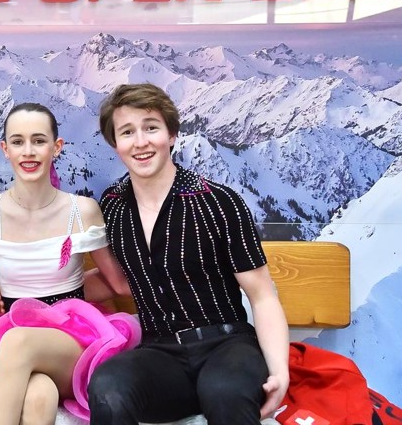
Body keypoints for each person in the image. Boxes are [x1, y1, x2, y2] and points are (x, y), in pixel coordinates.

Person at [0, 103, 141, 425]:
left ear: (56, 147)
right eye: (18, 141)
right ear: (5, 149)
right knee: (40, 395)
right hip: (11, 331)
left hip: (73, 338)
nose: (29, 151)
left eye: (39, 140)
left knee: (18, 341)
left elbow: (118, 283)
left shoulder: (82, 211)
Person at [86, 83, 289, 425]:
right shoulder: (113, 207)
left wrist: (280, 372)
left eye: (151, 127)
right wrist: (36, 294)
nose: (141, 141)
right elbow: (117, 281)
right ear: (115, 144)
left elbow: (262, 295)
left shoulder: (218, 202)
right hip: (160, 354)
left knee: (224, 391)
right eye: (127, 132)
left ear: (172, 135)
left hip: (227, 346)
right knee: (108, 386)